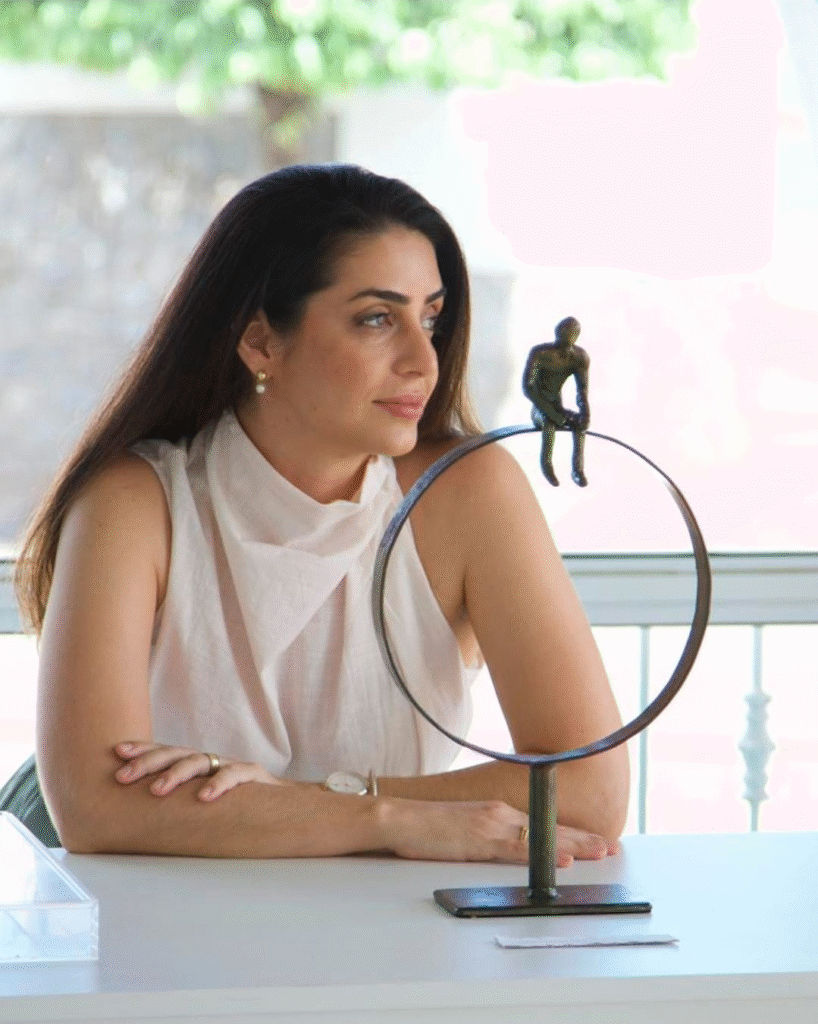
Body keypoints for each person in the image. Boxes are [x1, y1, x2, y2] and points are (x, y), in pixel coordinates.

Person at [8, 164, 628, 864]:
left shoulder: (469, 492)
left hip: (366, 919)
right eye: (377, 319)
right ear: (261, 342)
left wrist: (298, 799)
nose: (423, 361)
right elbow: (94, 808)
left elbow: (589, 788)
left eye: (430, 318)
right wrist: (392, 819)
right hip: (126, 912)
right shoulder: (134, 502)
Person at [523, 315, 590, 487]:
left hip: (557, 406)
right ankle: (547, 466)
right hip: (540, 408)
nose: (566, 340)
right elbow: (528, 388)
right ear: (557, 334)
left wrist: (585, 414)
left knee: (579, 425)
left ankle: (577, 470)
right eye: (563, 335)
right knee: (549, 423)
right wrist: (551, 413)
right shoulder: (540, 354)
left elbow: (582, 390)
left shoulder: (579, 358)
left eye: (571, 335)